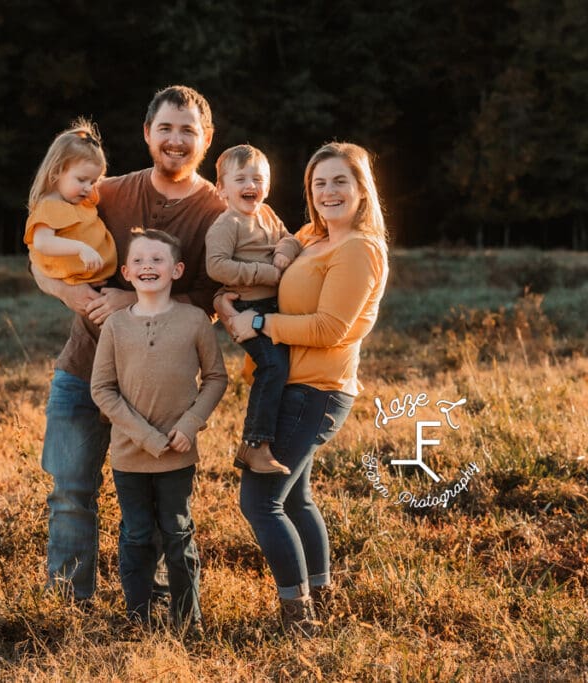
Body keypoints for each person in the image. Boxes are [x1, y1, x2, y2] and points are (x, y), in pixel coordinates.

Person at [31, 85, 225, 603]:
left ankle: (151, 604)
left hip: (155, 387)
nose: (176, 140)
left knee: (157, 504)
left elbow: (211, 296)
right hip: (82, 366)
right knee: (71, 492)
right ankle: (68, 607)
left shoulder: (217, 212)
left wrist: (129, 300)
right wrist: (75, 294)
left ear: (205, 139)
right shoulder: (107, 192)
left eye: (188, 130)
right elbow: (39, 255)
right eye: (165, 128)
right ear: (147, 134)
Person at [218, 142, 390, 635]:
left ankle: (300, 619)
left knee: (260, 502)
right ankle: (324, 596)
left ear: (361, 189)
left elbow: (329, 328)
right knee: (295, 500)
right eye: (319, 183)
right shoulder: (315, 236)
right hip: (292, 386)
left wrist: (257, 321)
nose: (329, 191)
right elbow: (275, 253)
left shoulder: (359, 249)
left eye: (340, 181)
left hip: (315, 390)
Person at [91, 228, 227, 632]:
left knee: (177, 532)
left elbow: (217, 378)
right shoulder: (115, 325)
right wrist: (146, 436)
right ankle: (138, 617)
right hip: (130, 456)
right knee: (135, 534)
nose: (148, 266)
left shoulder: (195, 320)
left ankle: (188, 620)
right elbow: (102, 388)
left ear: (177, 269)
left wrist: (189, 424)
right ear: (126, 272)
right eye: (139, 261)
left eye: (157, 260)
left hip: (178, 452)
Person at [205, 144, 300, 476]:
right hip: (246, 306)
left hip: (273, 306)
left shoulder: (268, 214)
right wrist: (267, 273)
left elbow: (291, 238)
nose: (251, 186)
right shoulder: (226, 223)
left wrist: (284, 252)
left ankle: (270, 436)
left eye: (258, 179)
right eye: (241, 178)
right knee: (273, 366)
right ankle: (255, 445)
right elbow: (216, 266)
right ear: (222, 188)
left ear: (268, 185)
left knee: (285, 365)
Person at [24, 119, 117, 287]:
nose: (89, 188)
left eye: (93, 181)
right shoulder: (49, 206)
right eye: (82, 180)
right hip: (87, 283)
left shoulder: (80, 199)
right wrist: (81, 248)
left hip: (107, 276)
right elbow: (42, 243)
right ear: (57, 170)